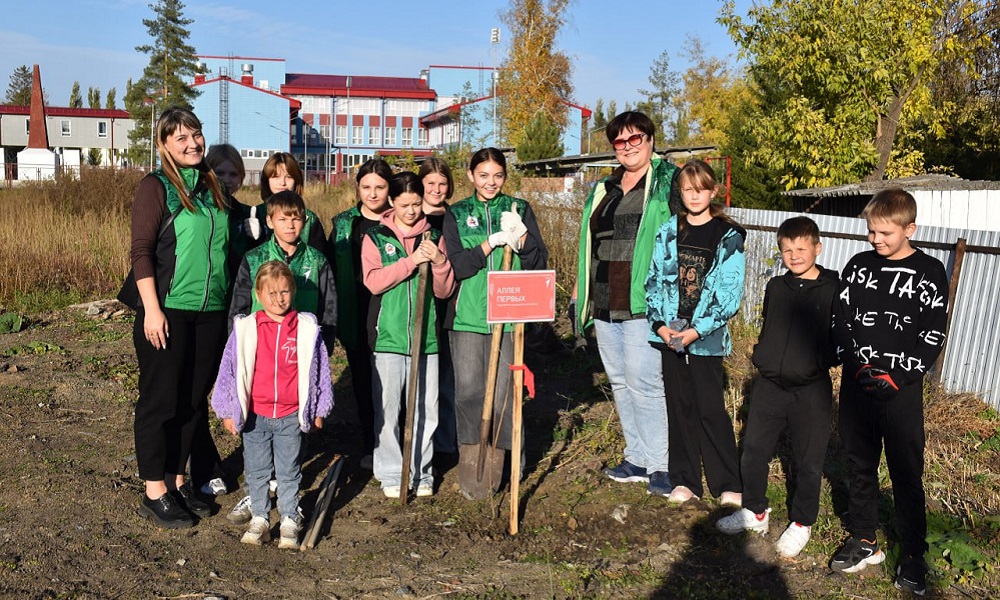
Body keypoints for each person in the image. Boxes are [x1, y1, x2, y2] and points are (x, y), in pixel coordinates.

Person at [829, 189, 948, 596]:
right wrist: (858, 365)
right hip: (857, 385)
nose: (874, 240)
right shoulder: (858, 266)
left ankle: (913, 555)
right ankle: (865, 540)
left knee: (905, 472)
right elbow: (840, 319)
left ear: (909, 228)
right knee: (859, 464)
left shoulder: (931, 272)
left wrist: (899, 374)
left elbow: (933, 333)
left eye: (883, 232)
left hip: (901, 391)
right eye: (870, 231)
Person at [128, 107, 231, 529]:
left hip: (210, 313)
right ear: (164, 145)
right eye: (181, 138)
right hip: (167, 310)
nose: (192, 144)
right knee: (161, 402)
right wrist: (151, 309)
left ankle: (177, 479)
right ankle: (154, 490)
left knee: (191, 403)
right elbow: (142, 252)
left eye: (197, 135)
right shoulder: (155, 186)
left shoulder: (212, 185)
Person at [715, 216, 839, 558]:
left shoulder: (833, 289)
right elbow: (769, 325)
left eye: (801, 248)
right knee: (754, 452)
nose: (794, 255)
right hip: (769, 385)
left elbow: (840, 335)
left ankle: (802, 523)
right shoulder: (776, 287)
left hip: (810, 389)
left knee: (807, 461)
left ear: (817, 247)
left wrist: (819, 360)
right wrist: (763, 355)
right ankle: (755, 512)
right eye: (787, 249)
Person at [571, 111, 680, 497]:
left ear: (650, 140)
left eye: (636, 139)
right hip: (604, 300)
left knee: (646, 383)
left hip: (641, 303)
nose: (629, 147)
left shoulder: (668, 182)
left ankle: (661, 465)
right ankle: (635, 456)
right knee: (619, 381)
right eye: (620, 141)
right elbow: (589, 245)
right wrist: (578, 294)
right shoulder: (604, 188)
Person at [442, 147, 549, 499]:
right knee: (470, 392)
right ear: (471, 176)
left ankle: (504, 463)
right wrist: (490, 243)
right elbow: (459, 265)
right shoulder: (456, 213)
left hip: (509, 315)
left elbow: (537, 260)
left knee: (505, 393)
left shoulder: (518, 209)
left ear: (505, 177)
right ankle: (473, 460)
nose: (491, 182)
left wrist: (521, 239)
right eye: (483, 175)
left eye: (498, 175)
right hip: (469, 317)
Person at [210, 261, 333, 548]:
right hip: (256, 415)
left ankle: (289, 518)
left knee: (289, 470)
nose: (279, 299)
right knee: (257, 469)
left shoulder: (305, 328)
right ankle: (261, 518)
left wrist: (319, 408)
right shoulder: (246, 329)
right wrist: (228, 409)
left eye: (285, 292)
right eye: (272, 293)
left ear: (293, 292)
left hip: (290, 414)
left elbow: (320, 371)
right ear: (258, 294)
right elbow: (229, 370)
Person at [645, 159, 745, 506]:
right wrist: (659, 324)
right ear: (681, 193)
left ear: (713, 191)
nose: (695, 195)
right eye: (688, 190)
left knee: (710, 410)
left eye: (701, 189)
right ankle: (685, 480)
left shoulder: (729, 236)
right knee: (679, 407)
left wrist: (695, 331)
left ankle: (727, 483)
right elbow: (654, 281)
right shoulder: (668, 231)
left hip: (706, 339)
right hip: (668, 336)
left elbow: (729, 295)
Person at [362, 172, 456, 498]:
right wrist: (411, 261)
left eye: (417, 204)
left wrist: (440, 261)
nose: (412, 211)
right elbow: (374, 281)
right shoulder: (375, 237)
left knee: (426, 409)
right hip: (388, 337)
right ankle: (390, 471)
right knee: (388, 409)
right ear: (392, 202)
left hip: (425, 337)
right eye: (405, 204)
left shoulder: (432, 236)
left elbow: (443, 292)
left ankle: (421, 471)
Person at [329, 158, 394, 468]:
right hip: (355, 309)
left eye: (379, 187)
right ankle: (371, 442)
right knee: (363, 379)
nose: (372, 194)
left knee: (391, 378)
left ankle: (393, 443)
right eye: (366, 187)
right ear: (357, 188)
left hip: (389, 309)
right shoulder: (343, 223)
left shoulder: (397, 220)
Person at [419, 157, 458, 458]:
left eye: (442, 183)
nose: (436, 188)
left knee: (446, 377)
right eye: (430, 182)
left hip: (449, 305)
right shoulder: (408, 215)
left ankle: (445, 443)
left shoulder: (455, 217)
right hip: (417, 307)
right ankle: (419, 441)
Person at [260, 152, 327, 254]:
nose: (282, 183)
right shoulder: (256, 214)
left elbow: (320, 258)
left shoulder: (310, 220)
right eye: (275, 176)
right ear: (266, 180)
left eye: (289, 177)